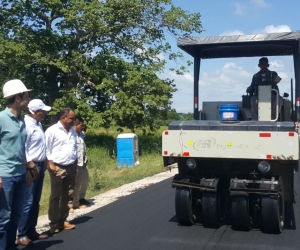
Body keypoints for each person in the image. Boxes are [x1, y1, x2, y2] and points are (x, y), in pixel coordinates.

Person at [0, 79, 32, 250]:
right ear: (18, 98)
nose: (29, 99)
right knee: (3, 218)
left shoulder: (22, 120)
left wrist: (27, 170)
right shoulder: (1, 118)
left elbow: (21, 148)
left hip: (20, 174)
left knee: (16, 215)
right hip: (5, 176)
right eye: (26, 96)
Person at [16, 99, 51, 246]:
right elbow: (22, 147)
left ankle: (31, 230)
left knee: (35, 201)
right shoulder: (25, 125)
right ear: (35, 112)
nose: (45, 113)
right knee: (28, 201)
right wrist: (30, 165)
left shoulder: (38, 123)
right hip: (31, 167)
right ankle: (22, 234)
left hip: (40, 165)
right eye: (42, 111)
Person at [45, 108, 77, 234]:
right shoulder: (52, 130)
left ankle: (63, 220)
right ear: (64, 118)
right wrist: (50, 163)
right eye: (71, 118)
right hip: (57, 167)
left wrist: (75, 160)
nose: (73, 120)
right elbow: (47, 149)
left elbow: (73, 147)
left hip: (71, 166)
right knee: (56, 196)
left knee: (68, 194)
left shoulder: (72, 131)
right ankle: (53, 223)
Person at [70, 117, 89, 212]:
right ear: (75, 125)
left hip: (82, 162)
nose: (83, 127)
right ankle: (70, 205)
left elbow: (83, 148)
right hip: (74, 163)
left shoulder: (82, 134)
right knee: (72, 185)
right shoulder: (70, 135)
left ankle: (77, 202)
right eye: (81, 125)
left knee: (80, 183)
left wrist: (86, 159)